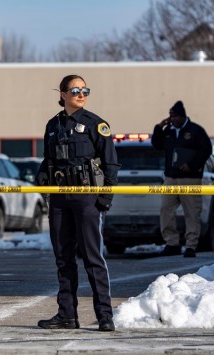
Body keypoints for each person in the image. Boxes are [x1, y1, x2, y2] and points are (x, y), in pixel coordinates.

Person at [36, 74, 120, 332]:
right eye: (75, 90)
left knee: (93, 258)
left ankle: (105, 315)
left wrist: (105, 197)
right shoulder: (52, 125)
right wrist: (40, 179)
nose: (81, 94)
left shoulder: (96, 124)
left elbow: (111, 164)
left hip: (86, 198)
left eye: (85, 90)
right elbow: (48, 159)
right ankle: (66, 315)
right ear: (62, 94)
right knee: (63, 258)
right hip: (60, 198)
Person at [151, 100, 212, 258]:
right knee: (166, 209)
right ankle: (172, 243)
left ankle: (191, 245)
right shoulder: (169, 131)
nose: (173, 119)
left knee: (191, 212)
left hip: (189, 178)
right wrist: (159, 127)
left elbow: (206, 150)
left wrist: (191, 165)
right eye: (171, 117)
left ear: (183, 116)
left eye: (176, 117)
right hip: (171, 177)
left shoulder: (195, 130)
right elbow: (157, 144)